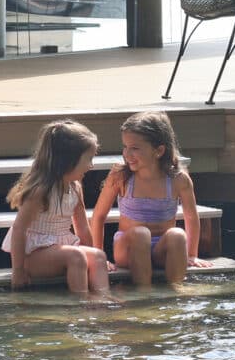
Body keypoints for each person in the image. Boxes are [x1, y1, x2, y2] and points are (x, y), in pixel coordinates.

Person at [90, 111, 214, 285]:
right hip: (128, 247)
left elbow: (191, 217)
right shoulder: (121, 176)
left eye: (135, 148)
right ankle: (144, 292)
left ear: (159, 151)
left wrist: (192, 254)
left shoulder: (178, 179)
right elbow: (99, 216)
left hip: (160, 250)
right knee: (141, 233)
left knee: (177, 234)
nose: (127, 154)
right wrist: (99, 255)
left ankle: (177, 290)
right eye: (125, 147)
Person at [1, 120, 109, 293]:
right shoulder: (40, 191)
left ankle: (103, 299)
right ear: (68, 161)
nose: (91, 165)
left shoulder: (75, 187)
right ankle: (81, 305)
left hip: (60, 251)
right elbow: (19, 229)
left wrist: (92, 255)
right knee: (76, 255)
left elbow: (82, 228)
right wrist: (18, 270)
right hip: (33, 256)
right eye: (88, 159)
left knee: (98, 256)